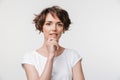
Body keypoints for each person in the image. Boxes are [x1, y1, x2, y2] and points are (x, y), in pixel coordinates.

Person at [21, 5, 85, 80]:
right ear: (41, 27)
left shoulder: (72, 56)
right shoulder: (30, 58)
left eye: (59, 24)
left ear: (63, 29)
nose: (54, 28)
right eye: (48, 24)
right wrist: (51, 56)